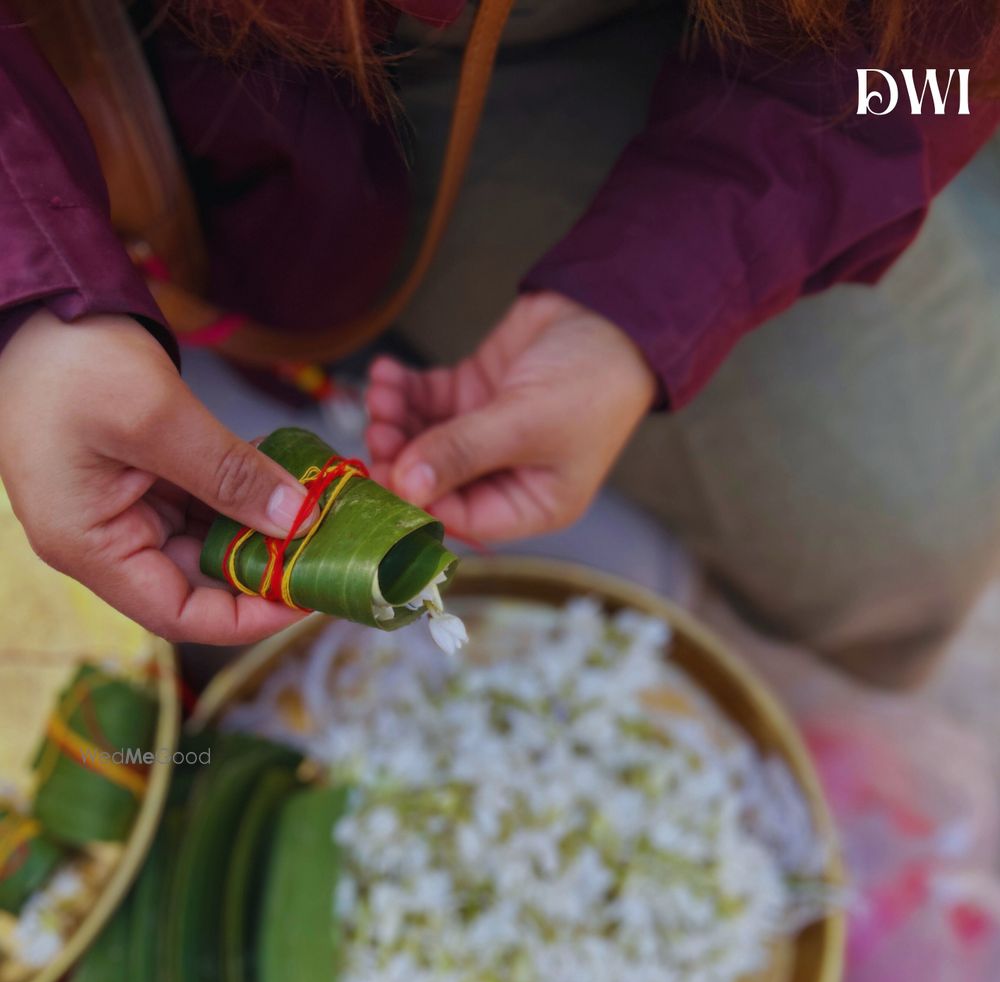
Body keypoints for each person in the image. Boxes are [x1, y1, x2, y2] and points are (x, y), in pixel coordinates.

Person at [0, 0, 998, 683]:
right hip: (139, 56)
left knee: (909, 531)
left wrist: (647, 305)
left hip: (675, 45)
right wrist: (36, 297)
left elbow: (925, 66)